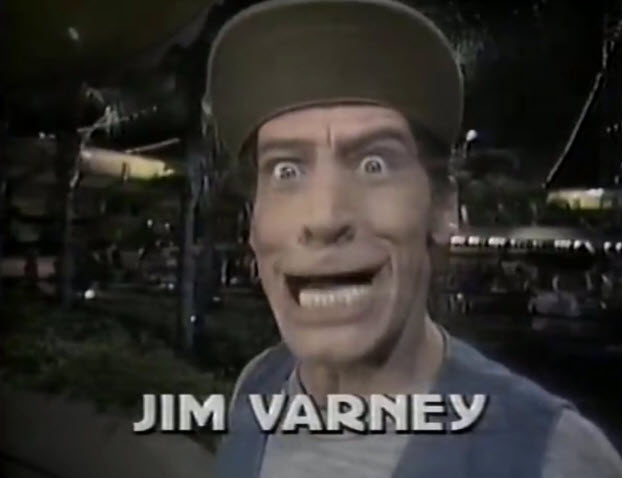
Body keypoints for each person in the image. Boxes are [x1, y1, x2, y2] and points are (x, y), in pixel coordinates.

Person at [202, 0, 620, 476]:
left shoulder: (554, 456)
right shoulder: (258, 385)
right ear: (254, 225)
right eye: (286, 170)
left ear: (443, 209)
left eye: (374, 165)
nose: (324, 217)